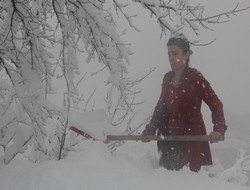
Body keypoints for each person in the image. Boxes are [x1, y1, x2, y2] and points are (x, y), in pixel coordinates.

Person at [141, 34, 227, 172]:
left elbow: (216, 103)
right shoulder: (167, 78)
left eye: (175, 53)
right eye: (169, 54)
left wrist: (218, 129)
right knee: (166, 181)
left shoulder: (195, 77)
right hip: (168, 140)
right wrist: (150, 130)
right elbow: (161, 108)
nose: (170, 58)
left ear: (186, 55)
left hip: (190, 140)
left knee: (187, 181)